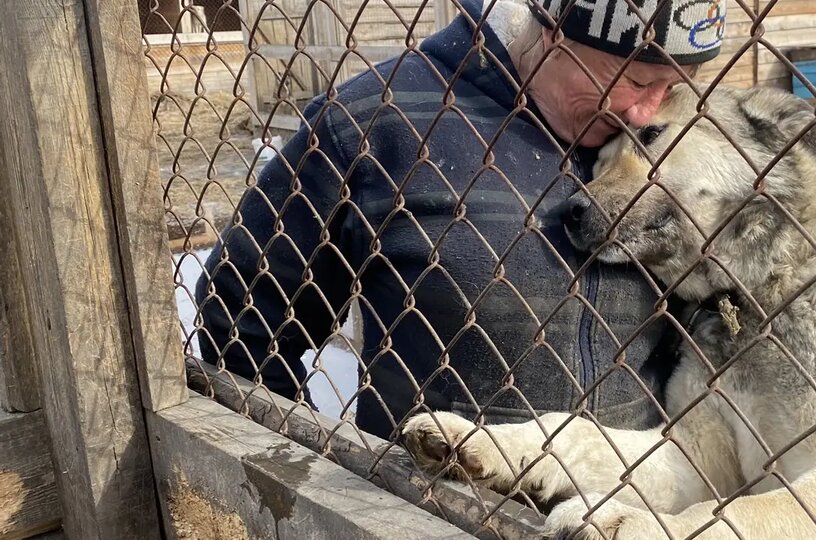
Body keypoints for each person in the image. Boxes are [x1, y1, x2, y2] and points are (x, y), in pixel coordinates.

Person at [195, 0, 727, 439]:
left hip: (628, 510)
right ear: (553, 31)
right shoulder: (377, 121)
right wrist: (302, 472)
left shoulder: (688, 144)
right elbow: (243, 314)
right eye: (634, 81)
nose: (645, 113)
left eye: (675, 86)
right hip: (426, 507)